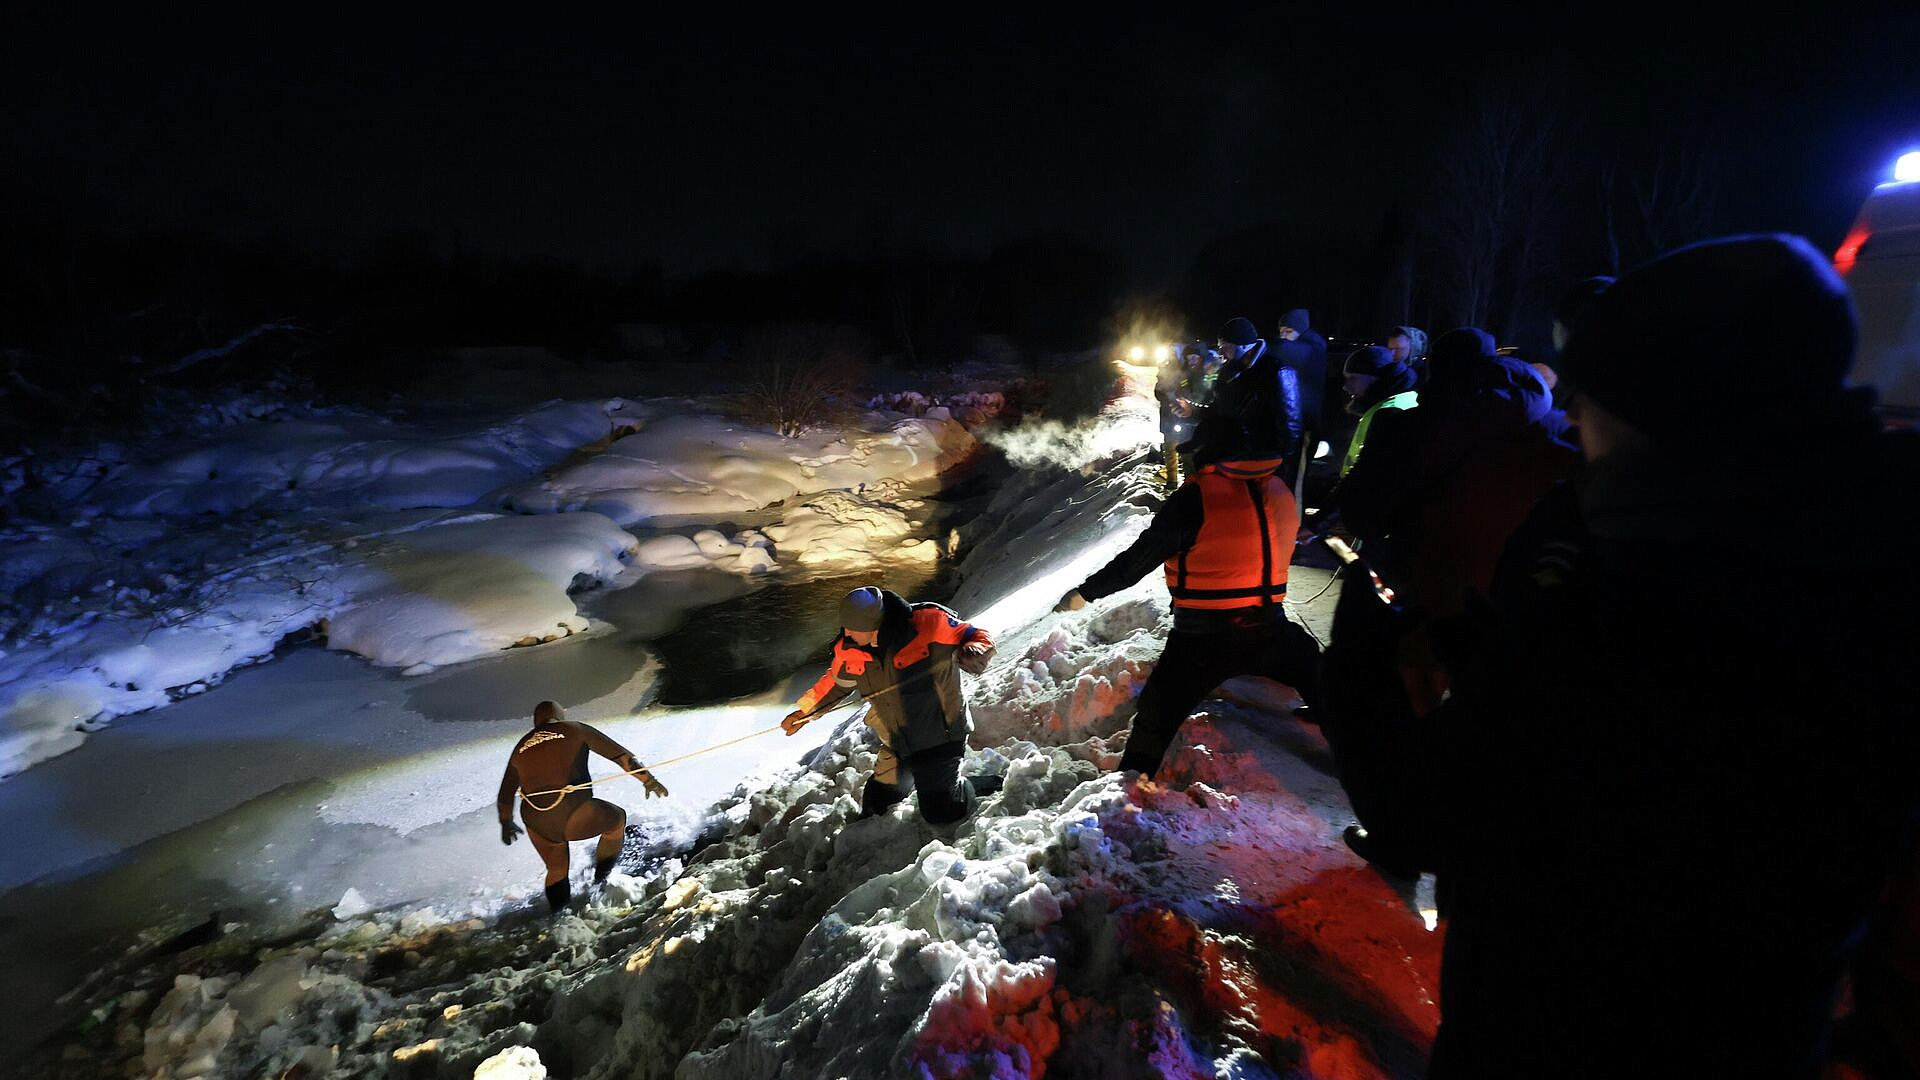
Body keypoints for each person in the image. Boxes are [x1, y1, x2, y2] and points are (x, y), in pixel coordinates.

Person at [1321, 234, 1920, 1076]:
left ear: (1665, 414)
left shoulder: (1652, 605)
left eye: (1594, 402)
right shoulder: (1849, 568)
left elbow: (1430, 813)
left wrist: (1354, 666)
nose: (1570, 422)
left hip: (1557, 1031)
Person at [1054, 386, 1321, 778]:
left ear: (1211, 452)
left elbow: (1137, 561)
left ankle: (1129, 787)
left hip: (1202, 640)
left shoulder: (1196, 499)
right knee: (1319, 673)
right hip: (1270, 628)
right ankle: (1356, 753)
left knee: (1156, 716)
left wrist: (1084, 593)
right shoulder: (1279, 489)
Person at [782, 587, 998, 824]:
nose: (847, 633)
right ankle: (928, 785)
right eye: (846, 626)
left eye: (854, 628)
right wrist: (804, 712)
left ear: (877, 625)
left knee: (941, 810)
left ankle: (974, 786)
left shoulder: (928, 623)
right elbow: (835, 684)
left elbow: (974, 634)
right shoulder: (851, 648)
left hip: (941, 738)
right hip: (899, 743)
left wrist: (975, 650)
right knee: (877, 805)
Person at [497, 701, 669, 913]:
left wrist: (506, 823)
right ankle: (600, 881)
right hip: (573, 811)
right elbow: (622, 757)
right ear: (559, 715)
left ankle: (559, 917)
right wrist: (648, 780)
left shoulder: (520, 746)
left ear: (536, 721)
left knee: (556, 867)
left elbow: (505, 796)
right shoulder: (575, 729)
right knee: (617, 820)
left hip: (536, 820)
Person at [1185, 317, 1303, 478]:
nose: (1221, 353)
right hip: (1232, 452)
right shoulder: (1229, 372)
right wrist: (1191, 411)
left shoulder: (1277, 371)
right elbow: (1218, 410)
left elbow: (1290, 424)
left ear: (1243, 346)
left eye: (1225, 347)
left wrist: (1282, 463)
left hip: (1261, 460)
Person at [1335, 345, 1420, 480]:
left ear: (1376, 377)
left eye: (1353, 377)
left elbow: (1372, 471)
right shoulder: (1405, 400)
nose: (1346, 386)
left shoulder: (1388, 413)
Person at [1156, 341, 1218, 490]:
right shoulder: (1177, 371)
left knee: (1196, 454)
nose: (1192, 361)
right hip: (1177, 417)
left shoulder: (1209, 370)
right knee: (1174, 450)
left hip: (1201, 419)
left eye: (1194, 358)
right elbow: (1161, 391)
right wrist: (1170, 397)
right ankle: (1179, 483)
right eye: (1189, 358)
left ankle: (1199, 485)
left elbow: (1208, 394)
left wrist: (1191, 405)